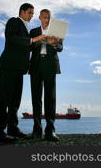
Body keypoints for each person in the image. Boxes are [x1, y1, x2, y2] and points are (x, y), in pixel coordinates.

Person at [0, 3, 46, 143]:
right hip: (8, 67)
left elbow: (26, 46)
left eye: (33, 13)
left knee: (15, 102)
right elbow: (11, 38)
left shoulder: (26, 29)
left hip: (19, 70)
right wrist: (33, 39)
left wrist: (40, 41)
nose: (32, 16)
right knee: (2, 100)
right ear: (22, 12)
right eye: (30, 13)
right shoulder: (13, 21)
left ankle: (12, 129)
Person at [30, 9, 63, 142]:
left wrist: (54, 42)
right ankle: (37, 131)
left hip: (50, 66)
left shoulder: (57, 30)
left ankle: (50, 131)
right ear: (39, 17)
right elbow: (29, 47)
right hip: (36, 66)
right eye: (44, 17)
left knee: (50, 98)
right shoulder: (33, 32)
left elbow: (60, 48)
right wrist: (38, 40)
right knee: (36, 98)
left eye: (49, 17)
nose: (47, 20)